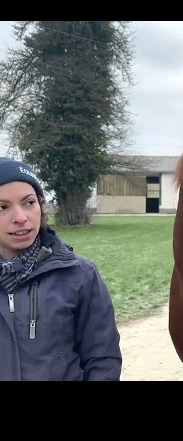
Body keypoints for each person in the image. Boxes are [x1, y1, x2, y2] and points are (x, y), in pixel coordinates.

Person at [0, 157, 122, 381]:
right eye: (2, 207)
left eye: (29, 203)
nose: (21, 217)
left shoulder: (80, 275)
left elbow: (102, 358)